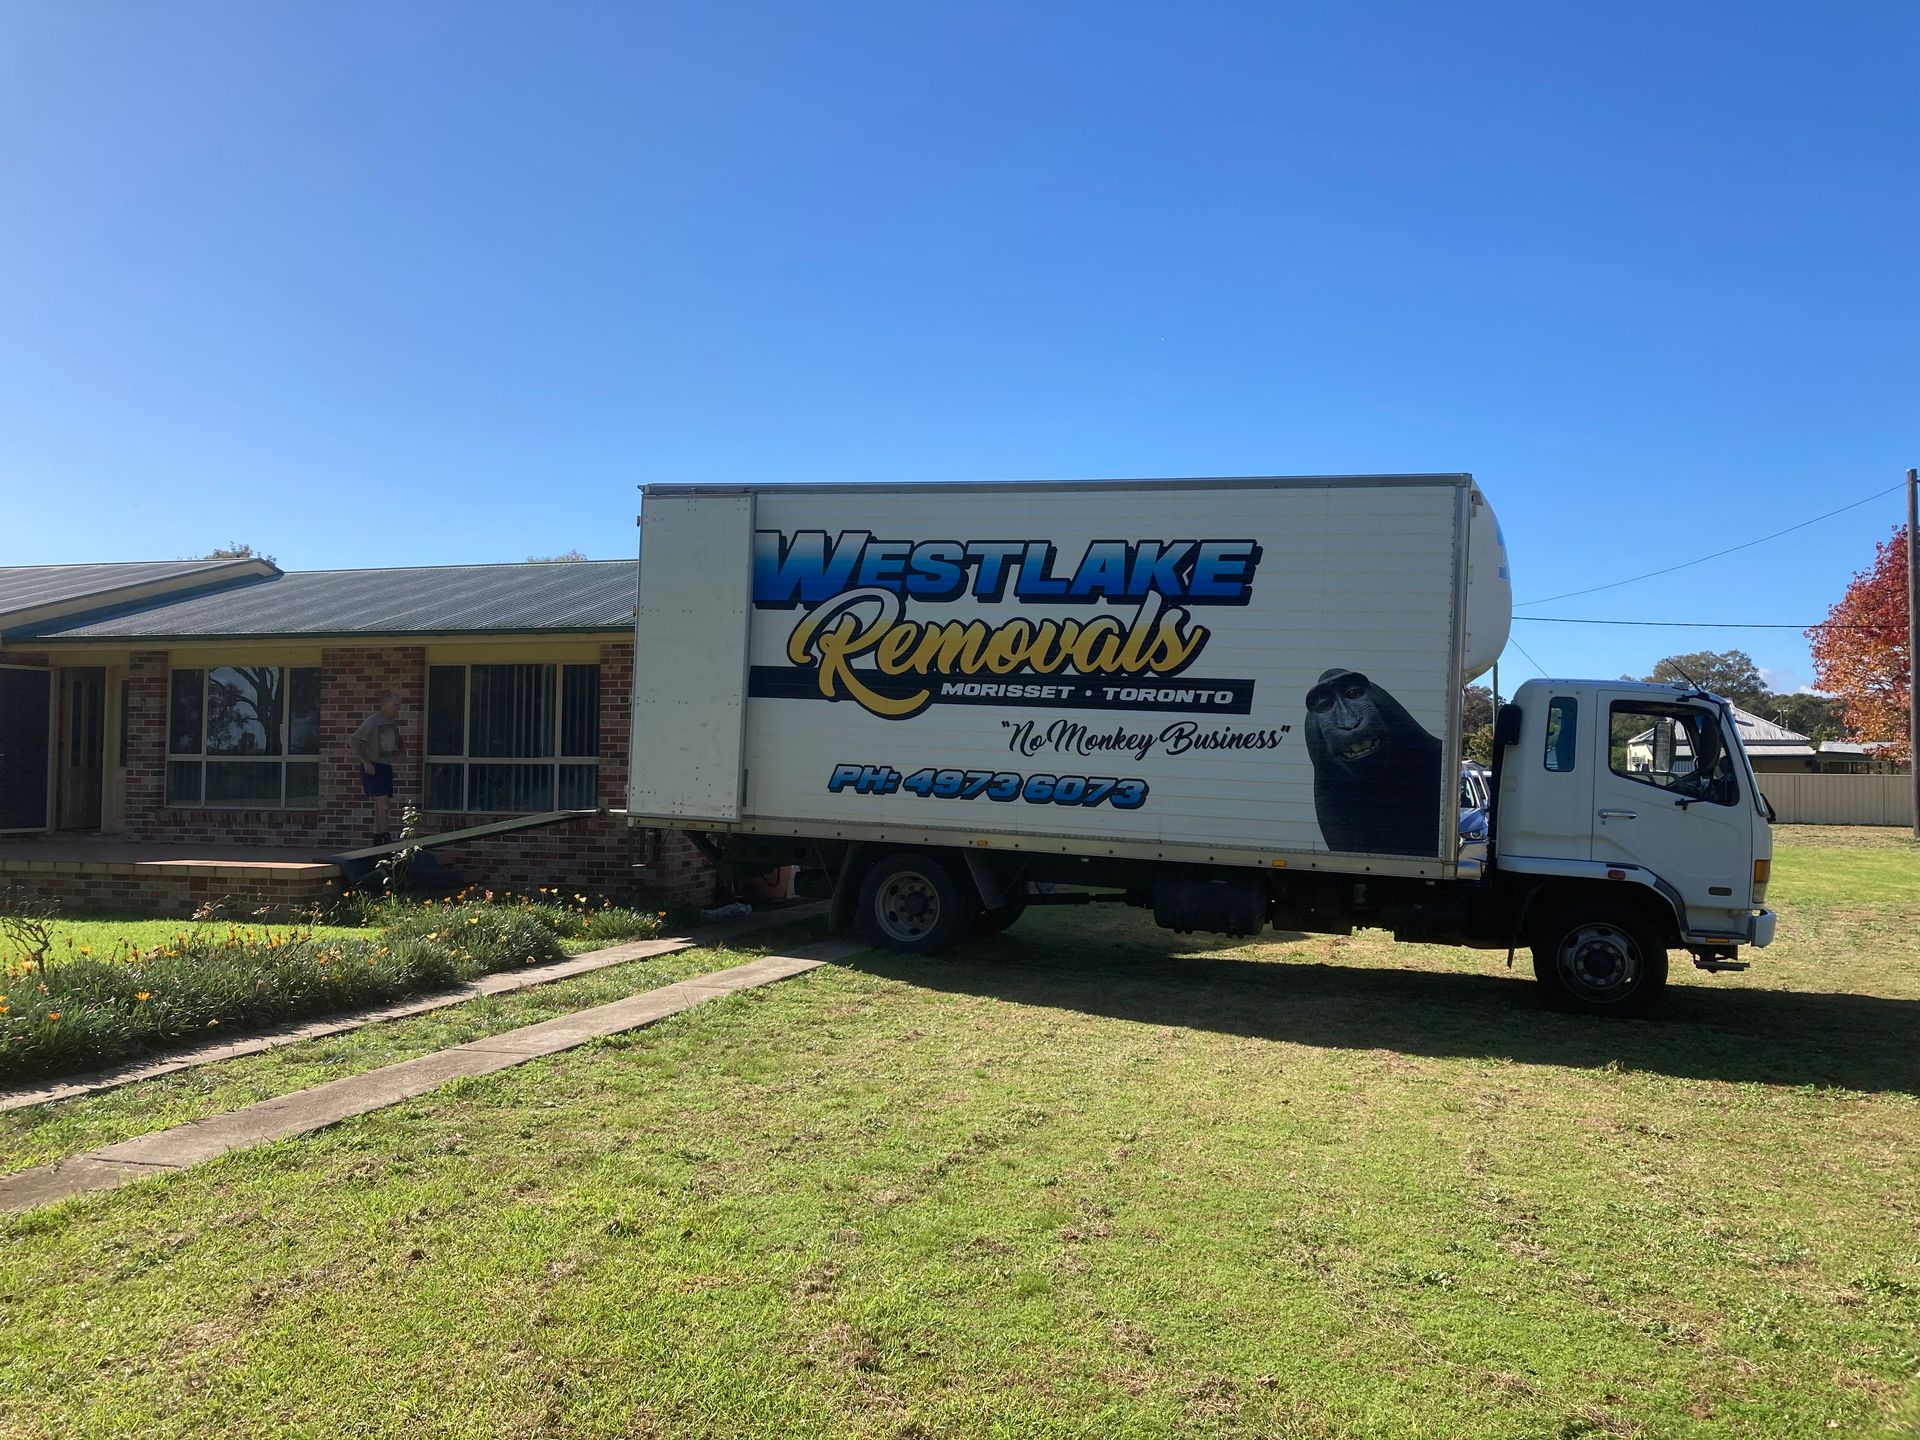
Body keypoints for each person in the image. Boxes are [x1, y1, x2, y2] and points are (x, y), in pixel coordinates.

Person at [349, 690, 406, 842]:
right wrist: (365, 762)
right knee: (383, 803)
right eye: (395, 705)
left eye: (398, 705)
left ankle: (377, 836)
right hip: (373, 766)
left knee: (382, 804)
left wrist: (401, 751)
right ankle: (386, 837)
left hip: (385, 765)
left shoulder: (391, 721)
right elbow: (354, 741)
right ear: (385, 705)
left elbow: (397, 739)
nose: (397, 708)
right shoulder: (373, 721)